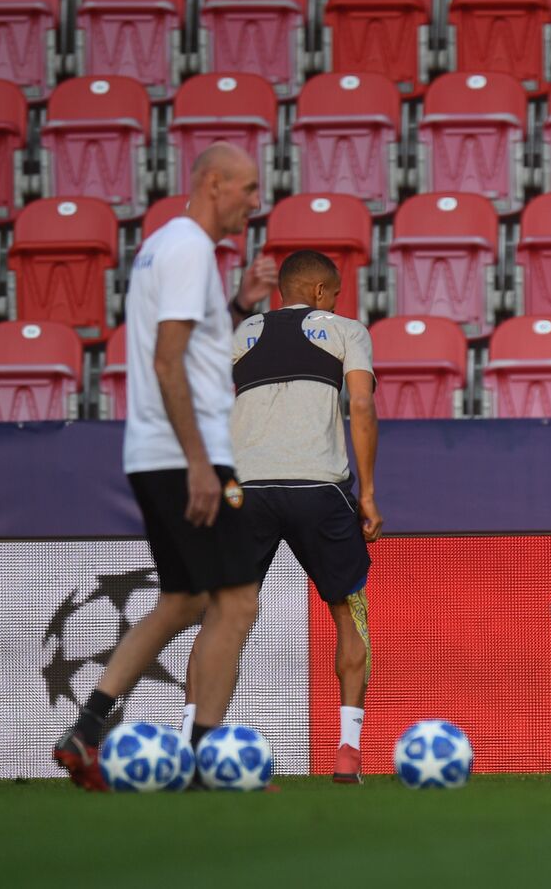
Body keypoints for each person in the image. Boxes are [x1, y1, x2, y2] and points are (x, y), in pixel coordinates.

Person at [53, 142, 272, 790]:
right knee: (237, 604)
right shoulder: (188, 249)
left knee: (184, 600)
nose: (254, 202)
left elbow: (189, 348)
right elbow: (167, 360)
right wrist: (201, 464)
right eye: (248, 188)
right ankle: (203, 761)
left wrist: (239, 307)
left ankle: (85, 728)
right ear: (211, 184)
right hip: (187, 455)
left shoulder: (161, 247)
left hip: (153, 451)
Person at [184, 249, 382, 785]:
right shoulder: (345, 330)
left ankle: (190, 744)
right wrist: (366, 495)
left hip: (246, 490)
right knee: (349, 614)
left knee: (223, 620)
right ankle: (348, 751)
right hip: (319, 487)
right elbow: (360, 407)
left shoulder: (242, 332)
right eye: (335, 293)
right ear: (320, 293)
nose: (338, 301)